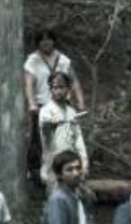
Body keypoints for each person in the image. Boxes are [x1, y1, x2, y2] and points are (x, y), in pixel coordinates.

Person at [24, 29, 85, 184]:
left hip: (63, 105)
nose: (46, 43)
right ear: (38, 43)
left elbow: (74, 81)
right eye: (42, 40)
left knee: (65, 138)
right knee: (39, 139)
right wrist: (31, 103)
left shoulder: (63, 60)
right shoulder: (33, 60)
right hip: (41, 105)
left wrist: (80, 102)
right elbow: (29, 83)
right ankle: (36, 172)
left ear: (54, 41)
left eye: (49, 39)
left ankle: (63, 170)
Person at [39, 71, 88, 191]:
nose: (58, 91)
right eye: (55, 88)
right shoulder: (46, 110)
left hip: (71, 162)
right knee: (55, 194)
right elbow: (45, 130)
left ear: (68, 89)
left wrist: (84, 160)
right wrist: (51, 124)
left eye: (61, 87)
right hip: (53, 162)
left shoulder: (71, 111)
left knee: (73, 194)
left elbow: (78, 138)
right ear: (50, 89)